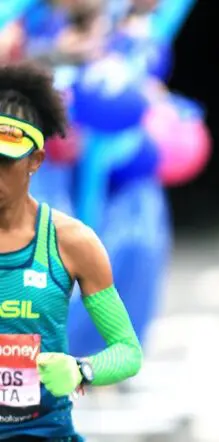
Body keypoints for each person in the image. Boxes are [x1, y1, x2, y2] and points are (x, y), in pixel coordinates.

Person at [0, 61, 142, 440]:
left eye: (5, 161)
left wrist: (81, 370)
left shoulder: (71, 242)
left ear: (35, 161)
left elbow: (127, 351)